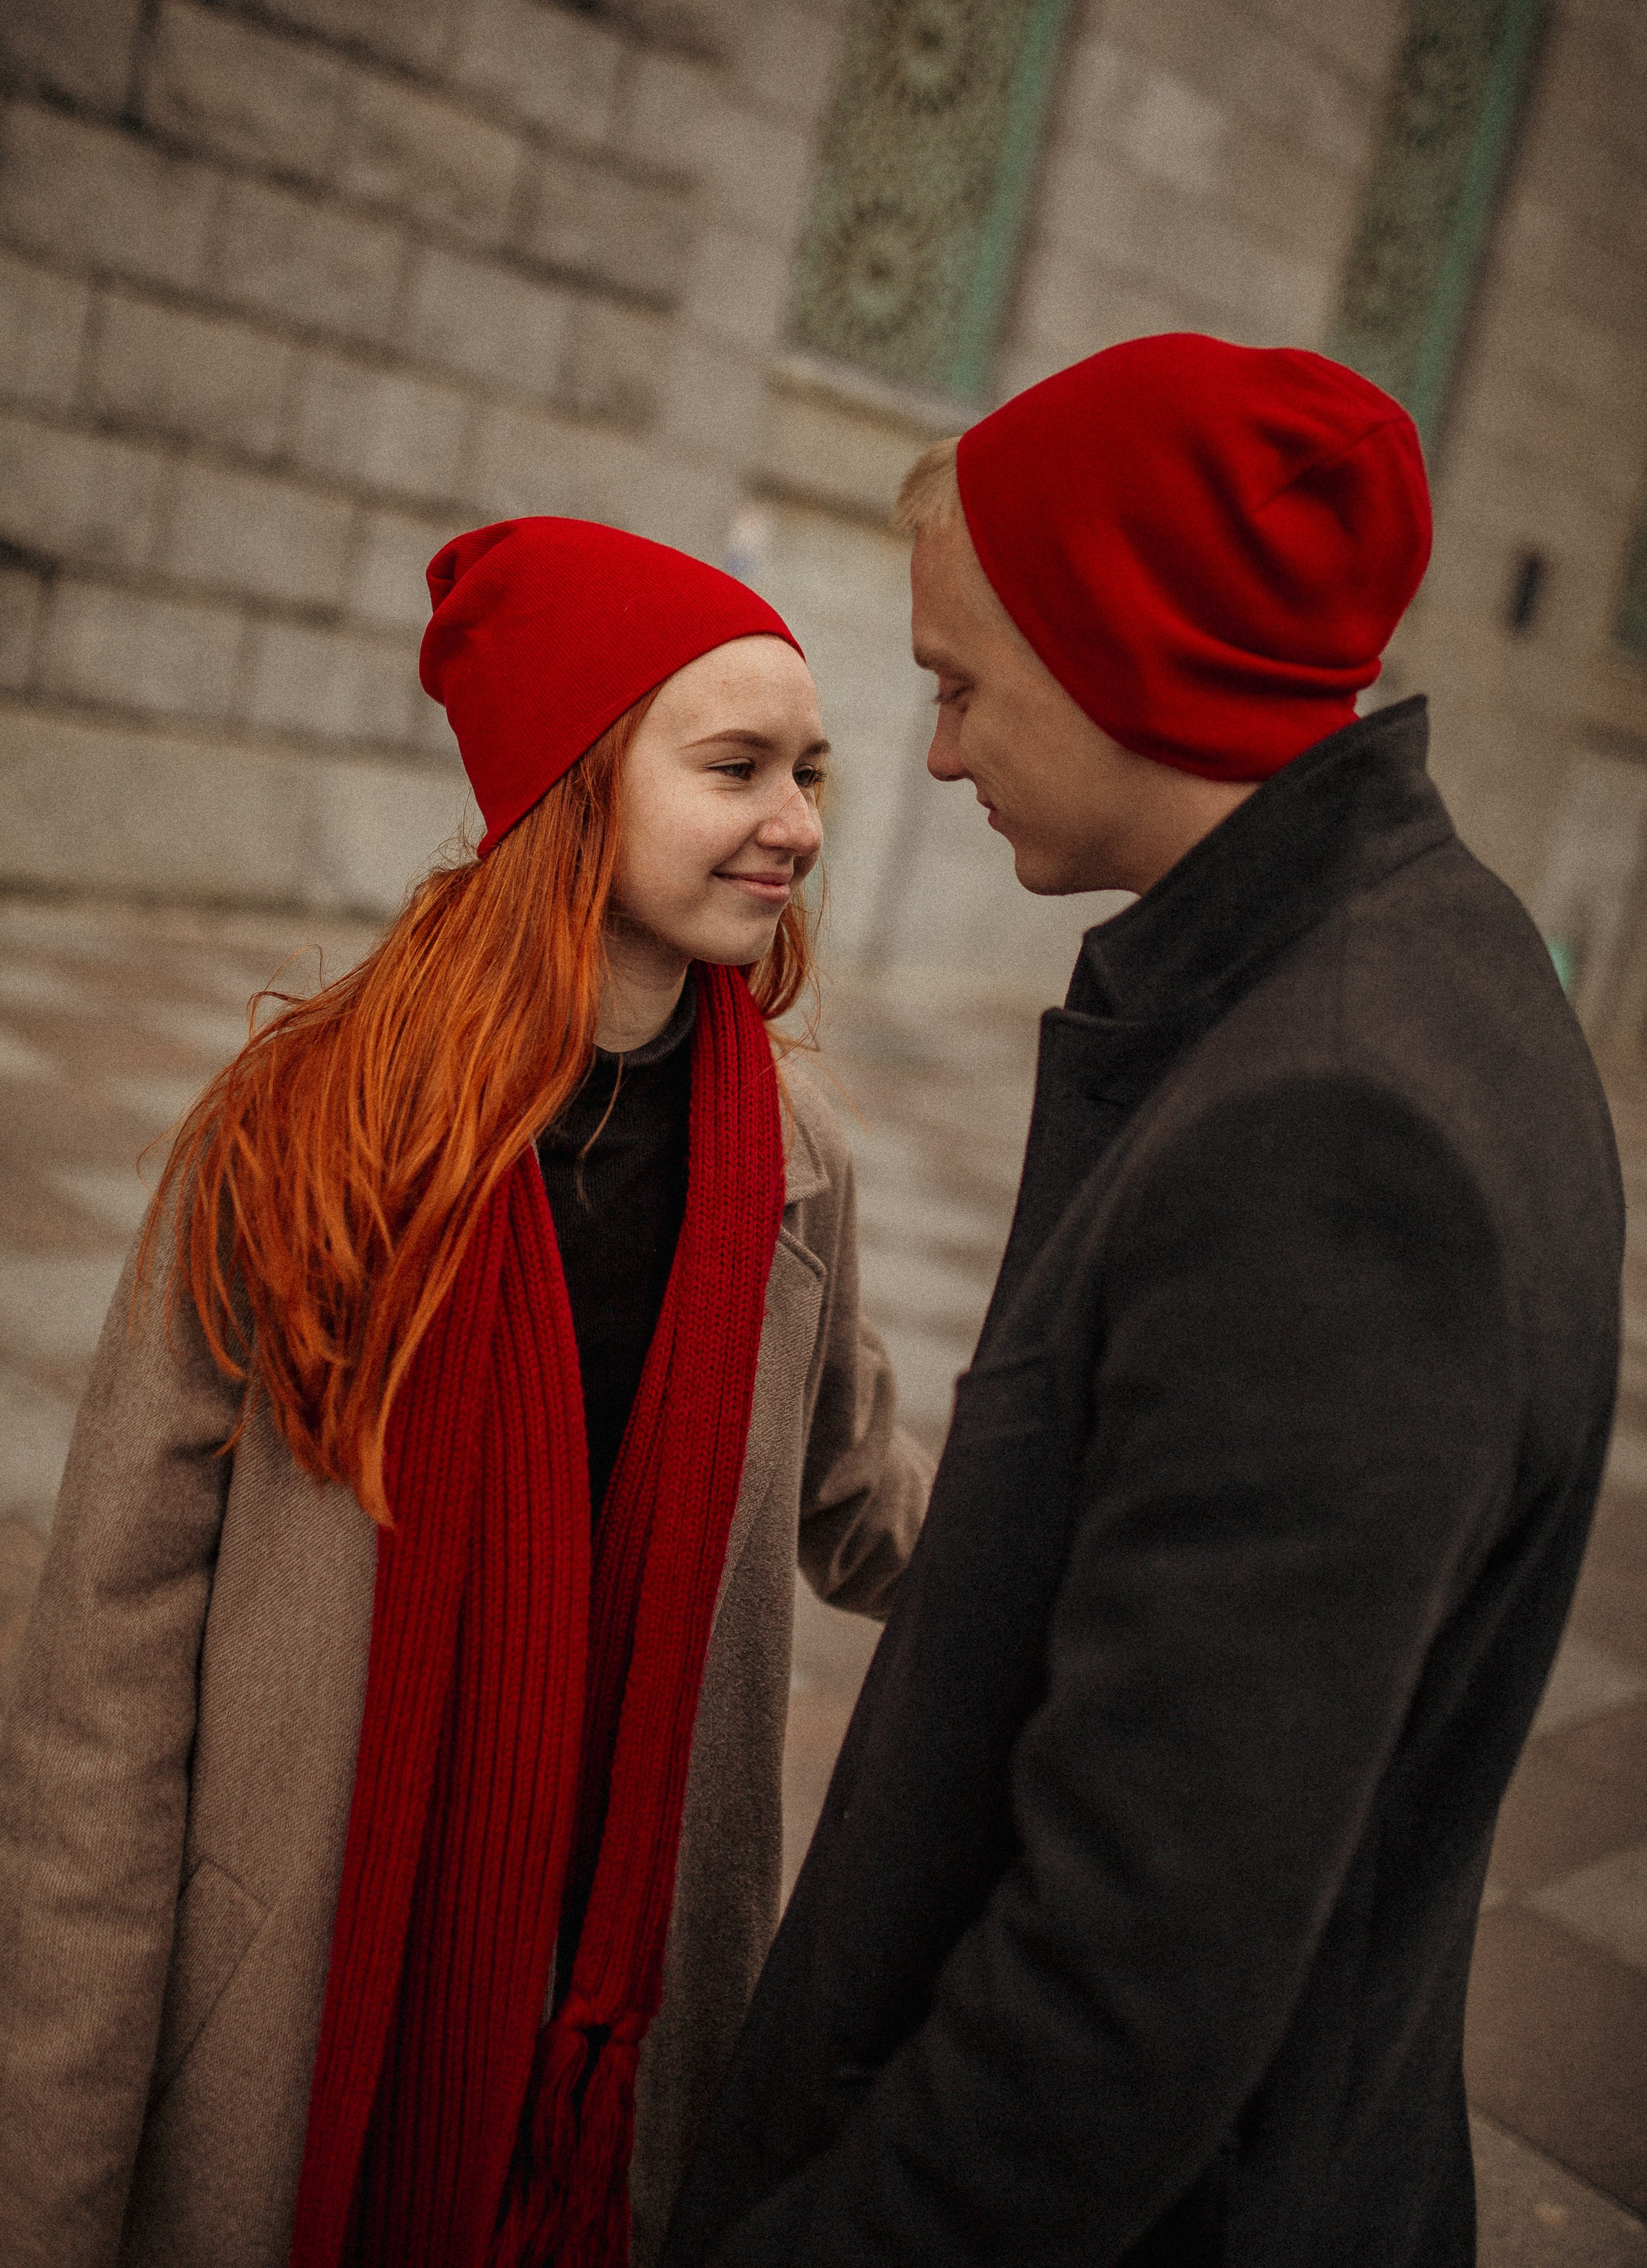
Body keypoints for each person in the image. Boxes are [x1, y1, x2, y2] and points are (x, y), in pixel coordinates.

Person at [661, 334, 1625, 2268]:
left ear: (1128, 651)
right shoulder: (1427, 955)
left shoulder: (1337, 1134)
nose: (934, 753)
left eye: (960, 683)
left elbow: (1121, 1999)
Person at [0, 517, 931, 2268]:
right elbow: (98, 1693)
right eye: (736, 766)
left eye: (809, 772)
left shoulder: (788, 1165)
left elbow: (865, 1499)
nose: (798, 823)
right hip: (317, 1983)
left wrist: (1139, 1585)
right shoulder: (304, 1137)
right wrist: (49, 2183)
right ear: (574, 778)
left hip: (623, 1997)